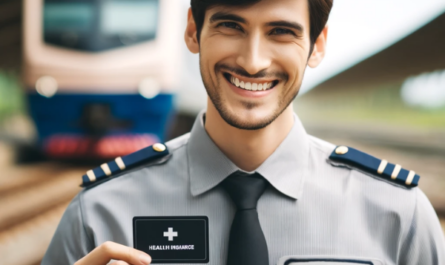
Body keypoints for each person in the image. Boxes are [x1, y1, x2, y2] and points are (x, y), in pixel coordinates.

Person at [42, 0, 445, 264]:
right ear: (192, 31)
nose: (253, 62)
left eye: (281, 31)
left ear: (318, 45)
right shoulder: (96, 214)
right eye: (231, 25)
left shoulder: (398, 216)